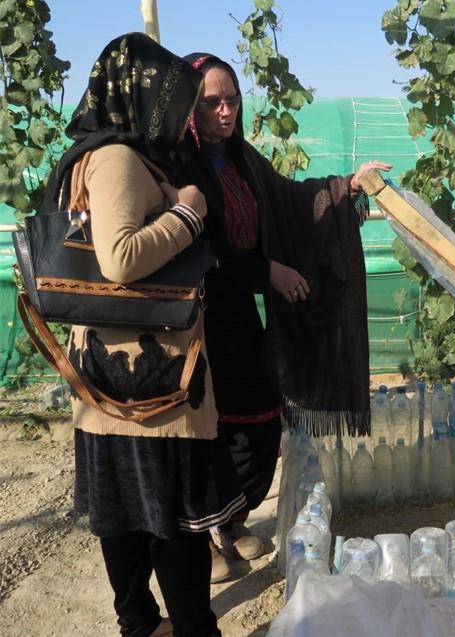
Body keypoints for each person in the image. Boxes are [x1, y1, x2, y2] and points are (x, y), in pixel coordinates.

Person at [42, 34, 244, 637]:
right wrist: (187, 211)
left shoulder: (99, 152)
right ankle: (188, 629)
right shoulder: (117, 160)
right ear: (142, 97)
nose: (183, 114)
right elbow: (121, 258)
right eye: (175, 99)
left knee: (126, 516)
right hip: (145, 378)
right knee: (169, 523)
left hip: (116, 375)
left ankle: (139, 622)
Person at [176, 52, 390, 581]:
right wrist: (266, 269)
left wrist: (346, 187)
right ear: (188, 108)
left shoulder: (242, 158)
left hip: (239, 311)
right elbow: (200, 249)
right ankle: (200, 535)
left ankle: (234, 521)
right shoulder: (176, 165)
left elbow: (291, 200)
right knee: (202, 428)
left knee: (258, 421)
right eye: (212, 102)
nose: (225, 111)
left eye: (232, 100)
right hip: (192, 317)